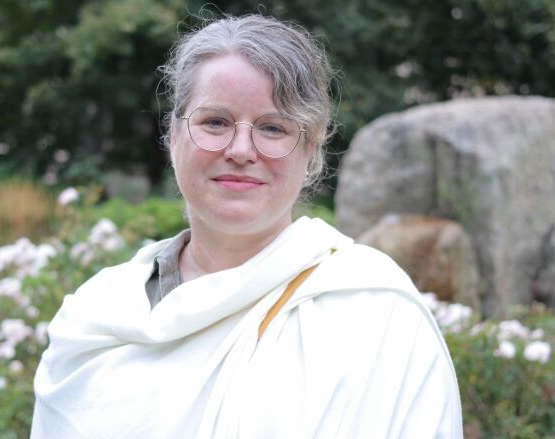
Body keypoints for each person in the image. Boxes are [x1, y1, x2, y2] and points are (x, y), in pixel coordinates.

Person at [32, 14, 463, 438]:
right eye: (215, 122)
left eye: (272, 127)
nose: (240, 149)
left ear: (310, 150)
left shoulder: (378, 316)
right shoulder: (94, 317)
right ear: (174, 135)